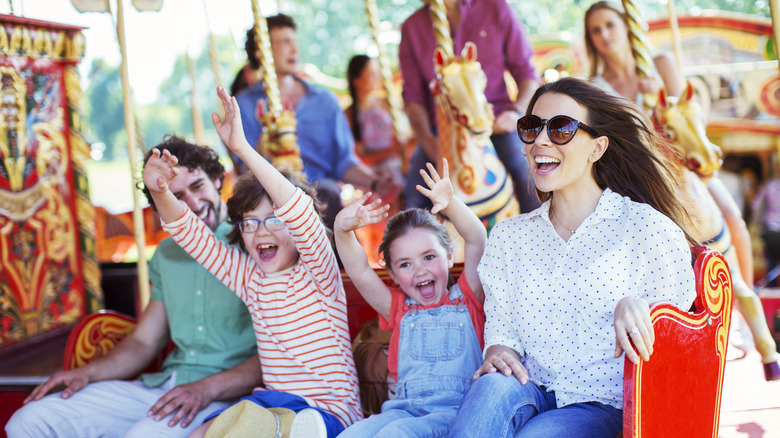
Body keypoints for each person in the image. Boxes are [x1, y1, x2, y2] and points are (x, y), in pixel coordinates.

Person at [448, 77, 698, 437]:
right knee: (489, 388)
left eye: (561, 129)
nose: (541, 141)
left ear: (597, 148)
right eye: (531, 128)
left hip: (603, 404)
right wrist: (499, 351)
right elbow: (502, 331)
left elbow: (680, 340)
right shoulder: (508, 237)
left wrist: (639, 307)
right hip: (529, 387)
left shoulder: (644, 228)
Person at [5, 137, 261, 437]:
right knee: (30, 420)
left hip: (227, 394)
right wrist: (86, 372)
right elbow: (143, 342)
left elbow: (276, 350)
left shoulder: (252, 243)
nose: (191, 204)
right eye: (176, 196)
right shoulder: (166, 254)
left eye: (197, 187)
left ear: (218, 180)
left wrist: (206, 388)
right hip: (165, 385)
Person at [143, 87, 361, 438]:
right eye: (250, 223)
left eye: (275, 220)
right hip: (271, 404)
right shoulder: (249, 278)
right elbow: (189, 233)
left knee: (284, 427)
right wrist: (159, 191)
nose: (261, 232)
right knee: (201, 435)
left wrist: (242, 149)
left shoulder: (319, 271)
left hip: (328, 410)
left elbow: (300, 211)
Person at [335, 157, 487, 437]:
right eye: (405, 264)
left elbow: (477, 239)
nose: (420, 271)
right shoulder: (398, 309)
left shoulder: (468, 297)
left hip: (457, 412)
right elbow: (358, 269)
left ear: (450, 256)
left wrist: (451, 203)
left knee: (397, 434)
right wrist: (342, 230)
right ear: (392, 275)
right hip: (402, 409)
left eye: (429, 257)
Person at [235, 14, 398, 228]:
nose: (295, 49)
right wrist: (267, 133)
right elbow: (244, 171)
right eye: (285, 42)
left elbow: (343, 161)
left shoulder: (325, 101)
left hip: (321, 192)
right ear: (261, 51)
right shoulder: (243, 105)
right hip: (269, 196)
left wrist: (375, 182)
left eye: (294, 42)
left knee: (328, 204)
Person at [399, 0, 541, 212]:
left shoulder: (495, 7)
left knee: (526, 172)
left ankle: (542, 233)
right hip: (443, 130)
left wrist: (516, 113)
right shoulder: (412, 27)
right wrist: (427, 139)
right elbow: (413, 97)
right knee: (414, 199)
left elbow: (527, 74)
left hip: (494, 121)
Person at [584, 0, 684, 107]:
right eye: (596, 30)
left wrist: (663, 97)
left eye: (610, 25)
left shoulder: (662, 64)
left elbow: (687, 115)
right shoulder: (595, 89)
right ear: (590, 39)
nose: (604, 34)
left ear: (626, 25)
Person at [345, 54, 404, 189]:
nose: (377, 78)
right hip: (373, 168)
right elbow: (359, 157)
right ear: (357, 80)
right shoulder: (349, 114)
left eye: (377, 74)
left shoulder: (387, 103)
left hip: (396, 163)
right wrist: (391, 150)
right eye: (371, 75)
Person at [752, 172, 780, 287]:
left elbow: (756, 205)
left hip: (771, 230)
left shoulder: (769, 185)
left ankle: (771, 286)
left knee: (772, 261)